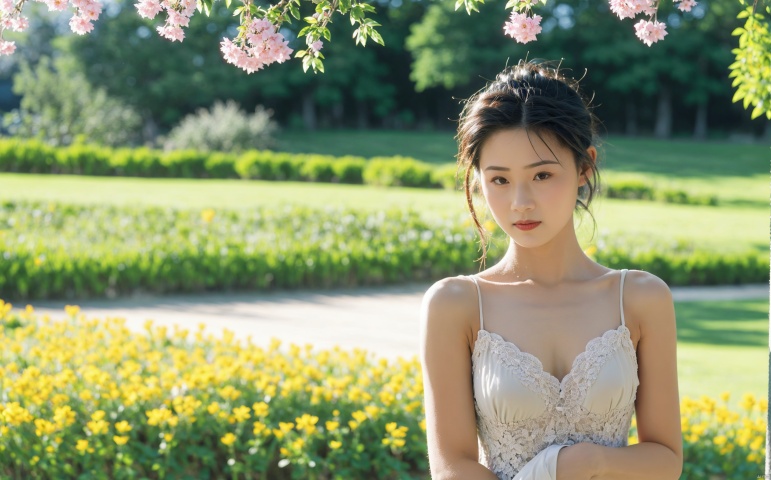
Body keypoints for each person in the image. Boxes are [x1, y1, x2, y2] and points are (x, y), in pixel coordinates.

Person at [419, 60, 682, 479]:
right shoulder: (457, 305)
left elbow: (666, 460)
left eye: (542, 175)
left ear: (584, 167)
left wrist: (583, 462)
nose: (520, 202)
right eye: (499, 180)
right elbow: (451, 467)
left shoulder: (639, 298)